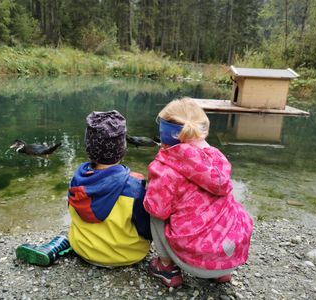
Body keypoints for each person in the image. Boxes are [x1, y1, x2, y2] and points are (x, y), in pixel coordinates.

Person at [16, 110, 151, 267]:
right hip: (127, 255)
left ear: (88, 148)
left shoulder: (77, 180)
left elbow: (75, 213)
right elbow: (146, 229)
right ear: (123, 148)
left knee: (69, 232)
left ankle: (53, 247)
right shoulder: (134, 187)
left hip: (85, 251)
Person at [143, 98, 253, 288]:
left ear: (164, 134)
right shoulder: (218, 158)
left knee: (155, 211)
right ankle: (222, 274)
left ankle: (166, 268)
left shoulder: (165, 169)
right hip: (231, 255)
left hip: (195, 261)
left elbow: (157, 210)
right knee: (227, 205)